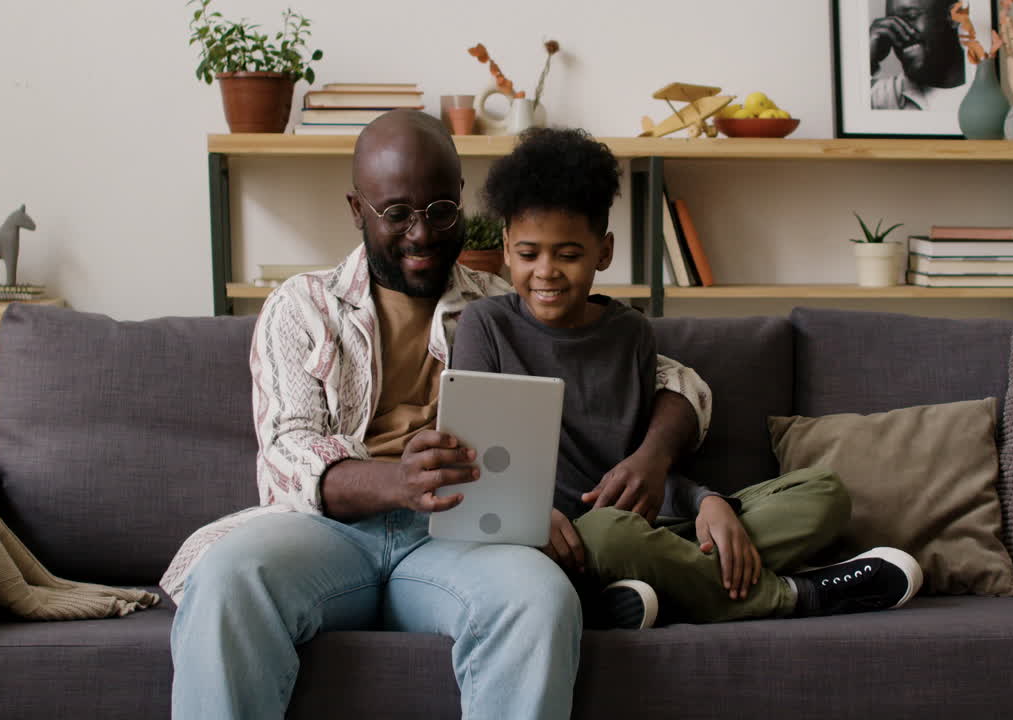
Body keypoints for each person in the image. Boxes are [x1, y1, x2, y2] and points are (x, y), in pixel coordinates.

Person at [159, 110, 714, 720]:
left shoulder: (505, 300)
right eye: (396, 213)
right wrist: (397, 480)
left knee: (540, 598)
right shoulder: (302, 306)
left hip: (460, 539)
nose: (421, 233)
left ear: (462, 203)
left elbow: (675, 380)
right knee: (228, 578)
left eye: (440, 210)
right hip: (329, 535)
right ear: (357, 210)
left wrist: (655, 455)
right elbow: (287, 453)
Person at [451, 127, 923, 628]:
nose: (546, 271)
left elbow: (641, 472)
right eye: (528, 254)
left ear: (603, 252)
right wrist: (526, 519)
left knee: (825, 492)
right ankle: (790, 595)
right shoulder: (487, 327)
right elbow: (474, 461)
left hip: (648, 529)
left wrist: (708, 502)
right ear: (504, 248)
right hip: (560, 542)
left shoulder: (630, 333)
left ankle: (647, 588)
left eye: (568, 255)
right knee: (612, 534)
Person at [869, 0, 967, 111]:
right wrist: (869, 60)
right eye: (892, 24)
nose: (898, 31)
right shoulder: (882, 98)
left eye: (911, 16)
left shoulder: (985, 91)